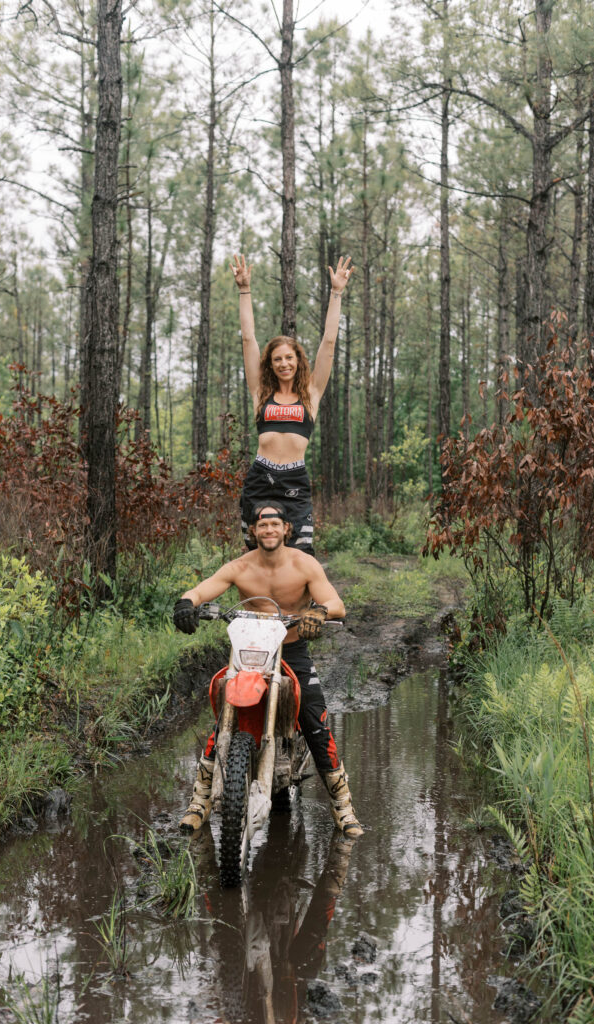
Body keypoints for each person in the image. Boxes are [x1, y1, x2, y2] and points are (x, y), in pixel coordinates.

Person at [173, 501, 362, 838]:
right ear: (254, 531)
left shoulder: (304, 565)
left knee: (316, 721)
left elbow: (336, 604)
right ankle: (199, 802)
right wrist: (187, 603)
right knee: (223, 717)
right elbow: (204, 588)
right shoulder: (240, 566)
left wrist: (319, 613)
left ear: (286, 529)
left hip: (292, 651)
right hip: (250, 650)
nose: (269, 530)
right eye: (263, 525)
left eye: (275, 524)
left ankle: (343, 807)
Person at [231, 253, 354, 555]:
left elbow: (328, 343)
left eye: (289, 357)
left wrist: (336, 293)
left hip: (294, 479)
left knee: (301, 554)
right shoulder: (260, 392)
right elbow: (248, 339)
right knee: (254, 554)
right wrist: (244, 290)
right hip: (260, 477)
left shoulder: (311, 393)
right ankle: (256, 604)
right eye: (277, 359)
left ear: (298, 361)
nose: (284, 363)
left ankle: (303, 604)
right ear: (270, 365)